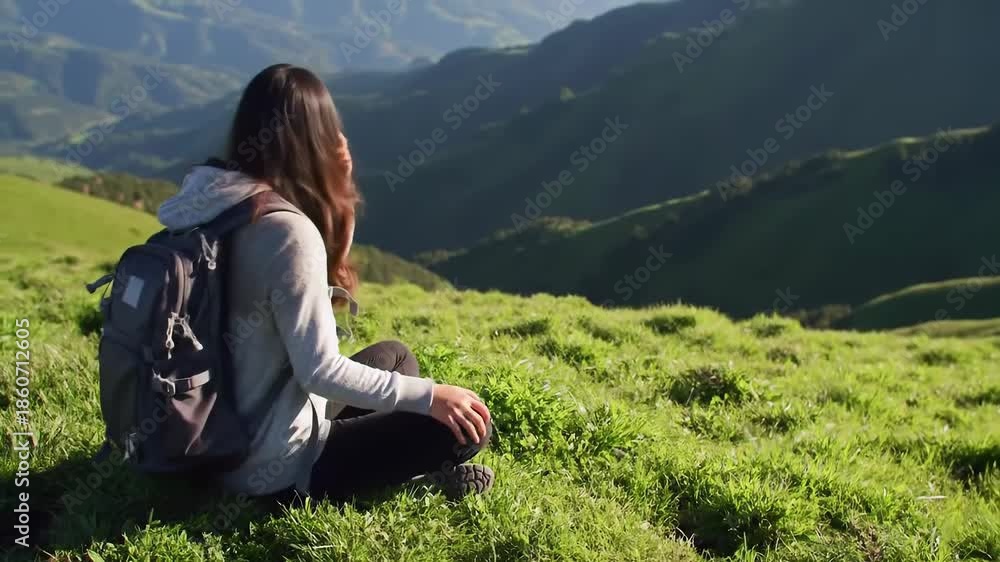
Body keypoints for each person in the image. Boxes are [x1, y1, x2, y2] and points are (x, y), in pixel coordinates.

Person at [156, 64, 494, 502]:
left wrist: (341, 200)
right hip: (269, 465)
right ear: (316, 137)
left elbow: (310, 297)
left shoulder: (211, 202)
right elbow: (320, 371)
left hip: (208, 430)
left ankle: (377, 464)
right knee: (467, 426)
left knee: (395, 357)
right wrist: (431, 397)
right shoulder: (286, 233)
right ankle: (383, 481)